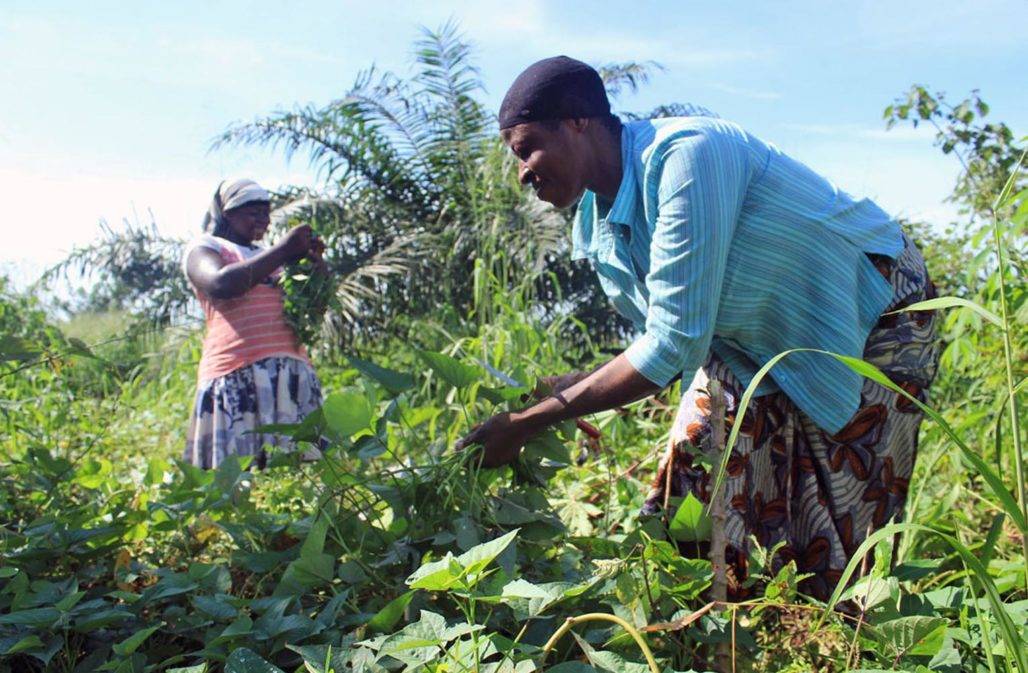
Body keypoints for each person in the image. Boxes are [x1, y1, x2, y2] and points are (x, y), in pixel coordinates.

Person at [459, 56, 939, 600]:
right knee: (697, 458)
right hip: (750, 344)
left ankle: (836, 638)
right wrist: (562, 391)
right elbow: (664, 343)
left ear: (577, 121)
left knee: (844, 506)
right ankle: (706, 629)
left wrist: (530, 421)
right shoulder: (601, 224)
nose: (523, 172)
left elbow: (672, 345)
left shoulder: (688, 156)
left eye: (526, 149)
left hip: (871, 306)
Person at [182, 178, 328, 469]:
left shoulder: (268, 256)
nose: (263, 220)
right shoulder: (205, 247)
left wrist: (316, 267)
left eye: (266, 212)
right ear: (227, 213)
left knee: (299, 480)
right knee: (242, 478)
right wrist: (284, 250)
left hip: (289, 375)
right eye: (253, 212)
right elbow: (221, 283)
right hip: (237, 375)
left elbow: (314, 307)